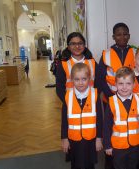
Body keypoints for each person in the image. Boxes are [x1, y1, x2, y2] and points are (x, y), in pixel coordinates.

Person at [56, 32, 98, 162]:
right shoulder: (63, 64)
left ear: (84, 45)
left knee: (89, 147)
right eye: (73, 43)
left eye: (80, 43)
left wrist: (91, 99)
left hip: (90, 104)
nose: (77, 46)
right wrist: (70, 103)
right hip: (71, 105)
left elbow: (99, 83)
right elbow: (59, 88)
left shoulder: (92, 62)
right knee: (75, 150)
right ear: (68, 46)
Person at [98, 22, 135, 169]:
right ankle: (110, 162)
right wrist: (111, 96)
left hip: (129, 99)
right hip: (111, 99)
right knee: (112, 130)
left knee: (128, 128)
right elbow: (100, 78)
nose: (122, 37)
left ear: (129, 36)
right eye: (118, 34)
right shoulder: (105, 54)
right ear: (113, 37)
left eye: (125, 34)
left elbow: (138, 75)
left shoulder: (134, 52)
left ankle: (127, 159)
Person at [103, 66, 139, 169]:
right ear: (115, 84)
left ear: (134, 84)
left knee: (132, 166)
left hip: (136, 144)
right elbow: (106, 125)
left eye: (128, 84)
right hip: (118, 146)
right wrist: (107, 145)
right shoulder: (111, 102)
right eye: (121, 83)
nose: (124, 87)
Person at [61, 63, 103, 169]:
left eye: (84, 79)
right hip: (74, 140)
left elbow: (99, 120)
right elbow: (64, 121)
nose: (80, 83)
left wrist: (99, 138)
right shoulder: (68, 96)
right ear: (72, 80)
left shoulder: (95, 95)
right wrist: (64, 139)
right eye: (77, 79)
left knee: (90, 165)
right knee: (75, 165)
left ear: (89, 78)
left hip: (91, 140)